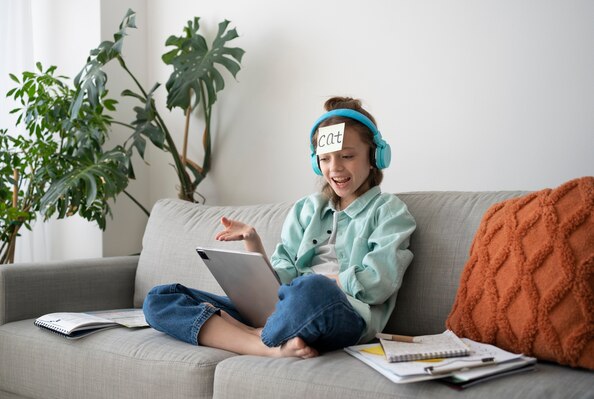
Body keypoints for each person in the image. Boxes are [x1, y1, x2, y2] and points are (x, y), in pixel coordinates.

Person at [143, 97, 416, 359]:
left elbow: (379, 283)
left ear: (375, 156)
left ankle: (251, 333)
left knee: (310, 288)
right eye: (325, 159)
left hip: (340, 314)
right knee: (160, 298)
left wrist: (330, 281)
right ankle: (264, 345)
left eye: (346, 156)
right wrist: (253, 244)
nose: (335, 168)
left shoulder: (388, 211)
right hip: (285, 308)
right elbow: (279, 281)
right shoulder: (305, 210)